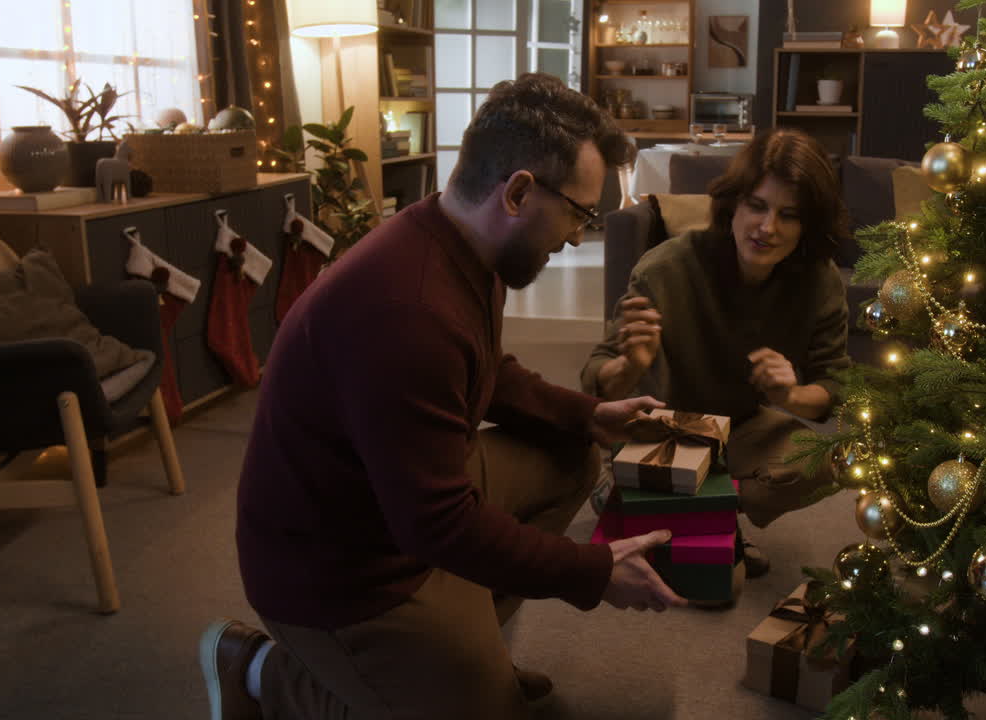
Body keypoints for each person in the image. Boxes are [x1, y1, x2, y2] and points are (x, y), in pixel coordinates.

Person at [199, 73, 687, 720]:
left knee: (571, 455)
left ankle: (448, 650)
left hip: (389, 505)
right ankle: (259, 670)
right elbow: (439, 523)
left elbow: (488, 371)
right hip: (334, 571)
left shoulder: (454, 240)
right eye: (578, 213)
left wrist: (589, 414)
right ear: (517, 192)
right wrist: (590, 571)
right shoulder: (410, 309)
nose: (576, 236)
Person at [580, 128, 852, 577]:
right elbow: (595, 380)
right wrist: (631, 364)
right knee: (723, 585)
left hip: (740, 425)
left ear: (808, 225)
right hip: (662, 429)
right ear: (733, 204)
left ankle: (699, 511)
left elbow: (836, 383)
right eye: (757, 206)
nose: (767, 228)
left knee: (824, 460)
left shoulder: (819, 280)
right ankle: (632, 488)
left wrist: (791, 396)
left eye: (789, 215)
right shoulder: (666, 268)